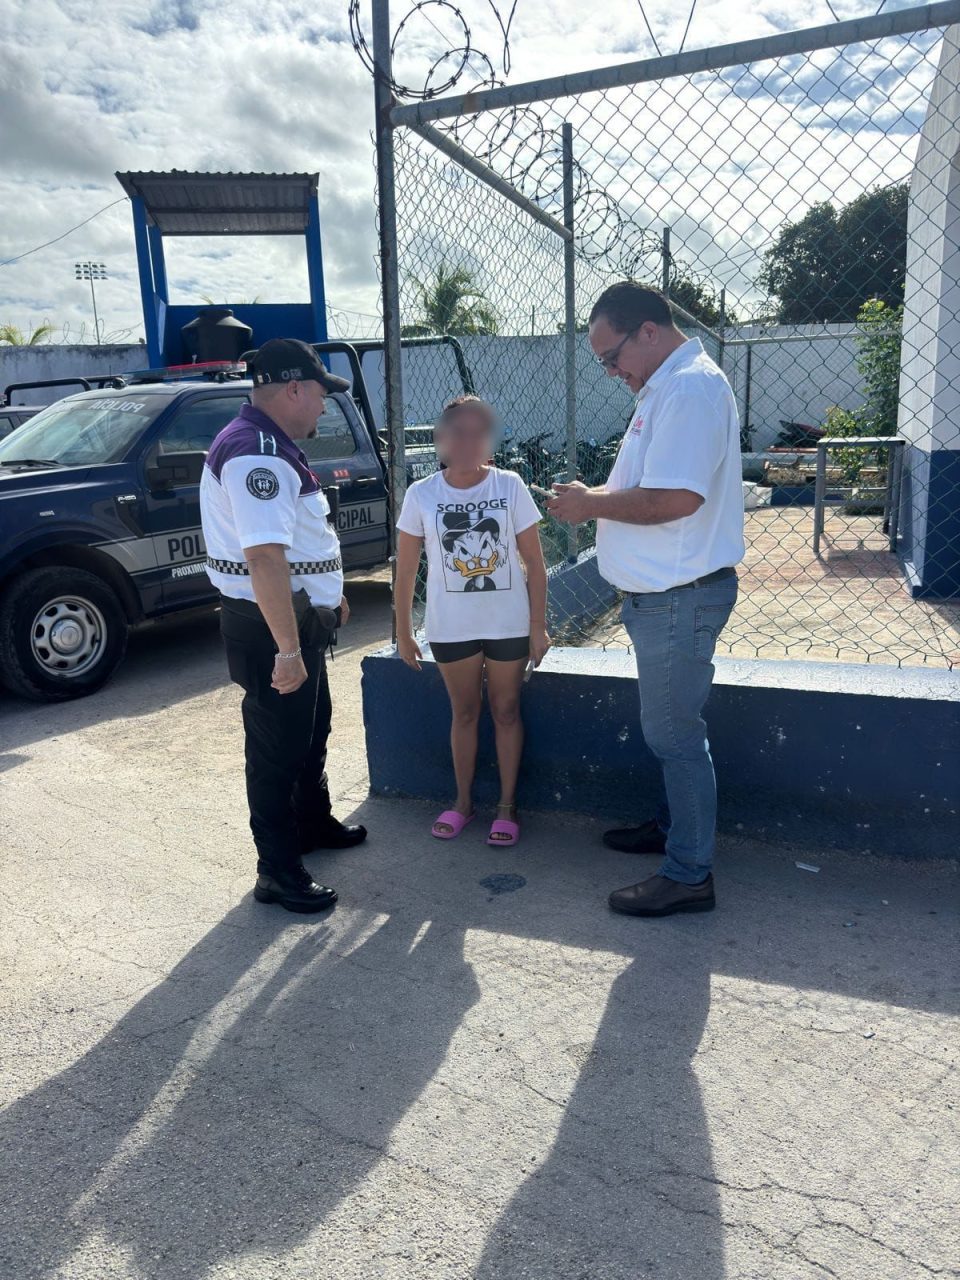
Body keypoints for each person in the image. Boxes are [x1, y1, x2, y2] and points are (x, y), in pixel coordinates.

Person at [548, 283, 744, 917]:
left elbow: (676, 499)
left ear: (650, 332)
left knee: (675, 735)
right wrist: (595, 497)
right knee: (670, 730)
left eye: (612, 357)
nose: (611, 371)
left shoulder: (688, 389)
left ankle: (689, 874)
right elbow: (651, 486)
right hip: (665, 596)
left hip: (678, 598)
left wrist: (591, 505)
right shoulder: (666, 387)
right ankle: (673, 829)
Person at [200, 338, 367, 914]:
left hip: (292, 617)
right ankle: (277, 870)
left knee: (310, 730)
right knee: (277, 750)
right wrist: (289, 651)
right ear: (294, 388)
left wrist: (329, 598)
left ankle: (311, 823)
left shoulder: (263, 443)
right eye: (321, 394)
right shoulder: (259, 453)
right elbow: (265, 557)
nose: (324, 405)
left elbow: (295, 547)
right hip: (272, 625)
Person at [394, 395, 550, 846]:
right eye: (457, 432)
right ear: (440, 439)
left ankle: (507, 806)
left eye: (478, 432)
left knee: (506, 710)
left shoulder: (510, 485)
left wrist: (537, 625)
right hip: (451, 627)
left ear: (489, 440)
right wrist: (404, 632)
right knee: (463, 712)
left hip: (508, 624)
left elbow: (534, 564)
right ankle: (463, 802)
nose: (467, 441)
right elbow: (406, 570)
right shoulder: (421, 494)